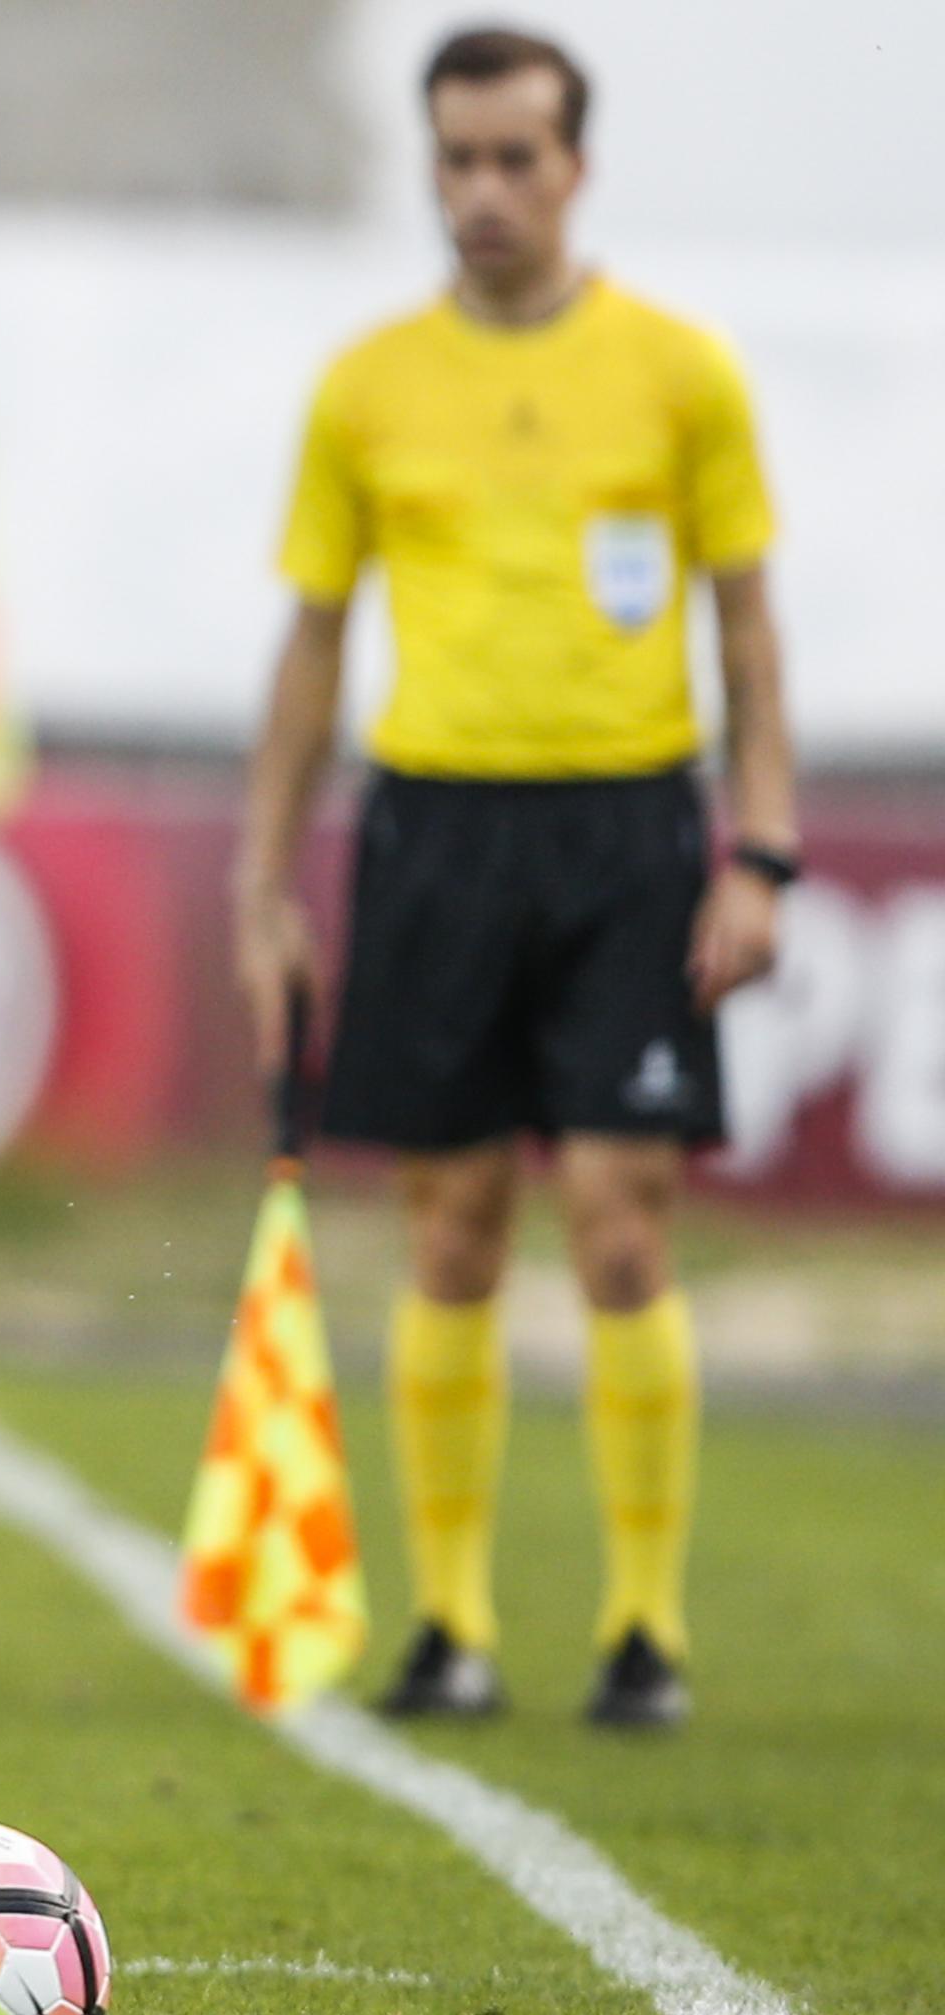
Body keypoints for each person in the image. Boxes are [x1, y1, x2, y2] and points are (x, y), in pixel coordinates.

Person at [231, 26, 794, 1730]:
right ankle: (455, 1625)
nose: (481, 192)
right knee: (453, 1225)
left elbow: (749, 635)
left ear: (577, 167)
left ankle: (644, 1627)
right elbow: (314, 647)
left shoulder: (682, 374)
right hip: (436, 834)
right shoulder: (367, 385)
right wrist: (265, 882)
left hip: (629, 831)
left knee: (623, 1222)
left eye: (514, 160)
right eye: (455, 160)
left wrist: (757, 851)